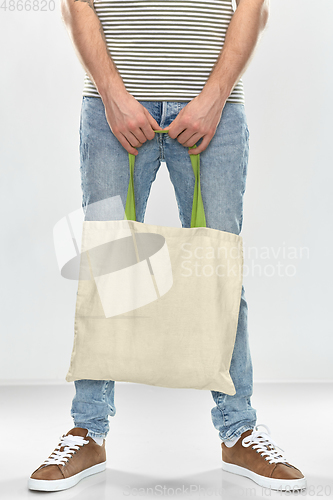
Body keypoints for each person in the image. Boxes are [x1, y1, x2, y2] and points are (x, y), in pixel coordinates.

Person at [28, 0, 306, 493]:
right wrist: (114, 97)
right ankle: (88, 430)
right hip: (111, 110)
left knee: (219, 270)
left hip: (214, 114)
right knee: (107, 266)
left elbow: (253, 6)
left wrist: (213, 98)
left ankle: (238, 430)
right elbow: (77, 5)